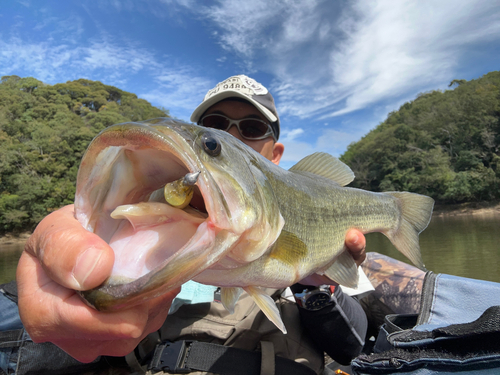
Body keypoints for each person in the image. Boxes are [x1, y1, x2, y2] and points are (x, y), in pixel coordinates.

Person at [13, 75, 368, 374]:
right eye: (213, 130)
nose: (233, 135)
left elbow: (352, 345)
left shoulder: (324, 215)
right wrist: (69, 276)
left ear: (275, 155)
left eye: (252, 127)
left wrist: (315, 286)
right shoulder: (155, 226)